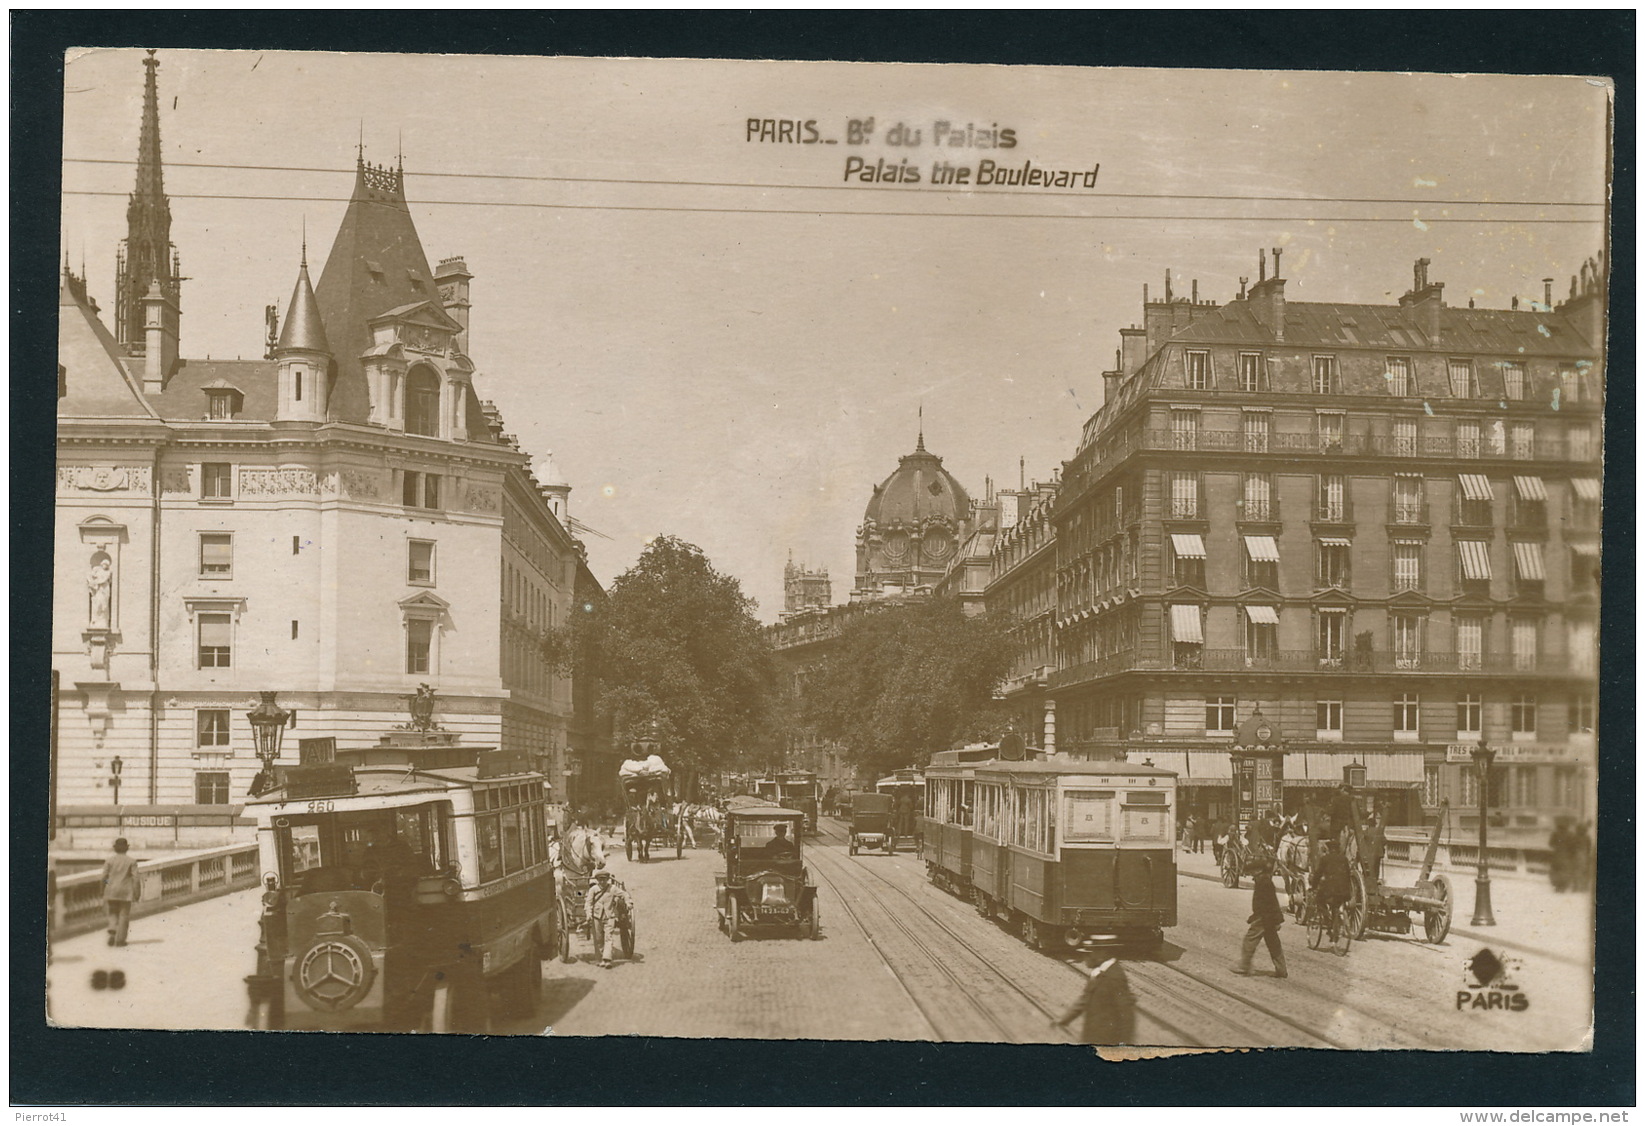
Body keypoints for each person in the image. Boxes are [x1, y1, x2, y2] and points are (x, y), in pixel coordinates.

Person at [1054, 939, 1136, 1045]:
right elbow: (1084, 999)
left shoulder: (1114, 976)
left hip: (1108, 1040)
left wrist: (1125, 1044)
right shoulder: (1099, 973)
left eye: (1087, 955)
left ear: (1101, 954)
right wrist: (1064, 1019)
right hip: (1093, 1036)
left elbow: (1126, 1012)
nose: (1084, 959)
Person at [1233, 856, 1287, 978]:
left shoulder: (1263, 882)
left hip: (1264, 918)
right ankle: (1281, 970)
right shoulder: (1264, 880)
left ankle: (1244, 966)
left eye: (1252, 870)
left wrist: (1257, 917)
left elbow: (1266, 904)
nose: (1250, 873)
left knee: (1249, 940)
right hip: (1269, 918)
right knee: (1274, 944)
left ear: (1257, 870)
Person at [587, 870, 632, 969]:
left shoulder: (612, 888)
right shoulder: (593, 890)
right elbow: (588, 903)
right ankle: (600, 958)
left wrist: (628, 903)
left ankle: (607, 959)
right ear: (597, 880)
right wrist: (589, 914)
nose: (602, 882)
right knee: (598, 939)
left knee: (608, 937)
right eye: (600, 880)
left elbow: (624, 894)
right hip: (596, 916)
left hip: (609, 916)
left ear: (607, 880)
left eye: (604, 880)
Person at [102, 837, 141, 947]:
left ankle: (112, 929)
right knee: (124, 915)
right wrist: (137, 893)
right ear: (126, 848)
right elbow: (136, 878)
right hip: (125, 892)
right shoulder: (131, 861)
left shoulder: (109, 861)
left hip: (112, 891)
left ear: (115, 849)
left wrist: (105, 886)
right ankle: (120, 940)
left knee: (113, 913)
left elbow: (104, 877)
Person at [1311, 839, 1352, 934]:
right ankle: (1335, 926)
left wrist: (1313, 887)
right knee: (1335, 904)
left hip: (1330, 889)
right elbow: (1348, 875)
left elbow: (1318, 874)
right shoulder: (1344, 859)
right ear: (1338, 849)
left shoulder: (1325, 859)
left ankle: (1327, 920)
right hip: (1343, 891)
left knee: (1319, 900)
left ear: (1329, 849)